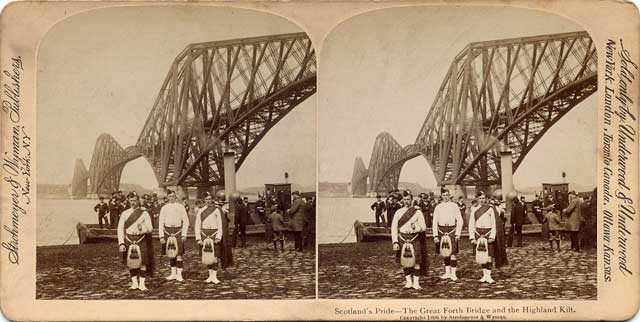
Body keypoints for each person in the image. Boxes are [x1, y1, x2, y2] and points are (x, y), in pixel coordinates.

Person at [117, 191, 154, 291]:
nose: (133, 202)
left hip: (140, 239)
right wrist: (121, 243)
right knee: (131, 262)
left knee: (143, 262)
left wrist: (142, 229)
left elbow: (150, 228)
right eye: (131, 200)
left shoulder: (144, 213)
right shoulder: (125, 213)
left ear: (138, 201)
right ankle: (134, 284)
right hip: (129, 239)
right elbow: (120, 229)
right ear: (128, 201)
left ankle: (142, 284)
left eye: (135, 200)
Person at [391, 191, 427, 290]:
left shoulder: (417, 212)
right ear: (403, 200)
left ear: (412, 200)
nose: (407, 201)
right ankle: (408, 282)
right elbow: (394, 227)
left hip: (414, 238)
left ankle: (416, 283)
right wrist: (395, 241)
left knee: (417, 262)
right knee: (405, 261)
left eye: (408, 199)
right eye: (405, 199)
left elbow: (424, 227)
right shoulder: (398, 212)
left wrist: (416, 228)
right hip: (402, 238)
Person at [432, 188, 464, 281]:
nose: (445, 197)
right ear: (441, 196)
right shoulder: (438, 207)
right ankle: (447, 272)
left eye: (447, 195)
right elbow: (434, 222)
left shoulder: (454, 206)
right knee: (445, 253)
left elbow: (460, 220)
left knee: (453, 253)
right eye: (444, 195)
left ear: (449, 195)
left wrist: (458, 233)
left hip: (452, 230)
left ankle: (453, 274)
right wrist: (435, 236)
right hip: (441, 230)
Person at [158, 189, 190, 282]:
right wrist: (161, 236)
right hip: (168, 231)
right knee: (171, 254)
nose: (171, 198)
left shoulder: (180, 207)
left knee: (179, 254)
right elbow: (160, 223)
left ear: (175, 197)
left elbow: (186, 221)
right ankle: (173, 274)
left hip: (178, 231)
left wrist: (184, 234)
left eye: (173, 196)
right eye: (169, 196)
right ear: (167, 197)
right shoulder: (164, 208)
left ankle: (179, 275)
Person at [469, 191, 498, 283]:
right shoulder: (474, 210)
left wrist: (492, 236)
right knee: (481, 255)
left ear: (486, 199)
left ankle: (489, 276)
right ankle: (484, 275)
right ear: (477, 199)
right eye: (480, 198)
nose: (482, 200)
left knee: (489, 256)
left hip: (488, 233)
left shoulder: (490, 209)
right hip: (478, 234)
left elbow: (494, 224)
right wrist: (472, 237)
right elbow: (471, 225)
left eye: (483, 198)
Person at [194, 192, 224, 283]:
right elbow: (197, 225)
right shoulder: (200, 211)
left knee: (215, 256)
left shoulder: (217, 210)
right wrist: (198, 238)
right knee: (207, 256)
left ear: (212, 200)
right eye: (206, 199)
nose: (208, 201)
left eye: (210, 199)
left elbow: (220, 225)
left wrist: (218, 236)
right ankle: (210, 276)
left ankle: (214, 276)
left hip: (214, 234)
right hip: (204, 235)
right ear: (204, 200)